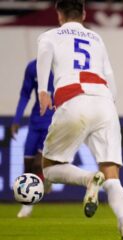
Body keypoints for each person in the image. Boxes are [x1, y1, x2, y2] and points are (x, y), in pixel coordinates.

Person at [37, 1, 123, 239]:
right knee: (112, 177)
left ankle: (89, 179)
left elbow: (43, 61)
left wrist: (42, 92)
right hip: (104, 102)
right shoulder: (96, 38)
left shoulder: (50, 35)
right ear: (83, 14)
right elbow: (110, 78)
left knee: (49, 168)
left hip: (73, 99)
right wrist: (109, 109)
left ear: (59, 14)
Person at [11, 59, 54, 218]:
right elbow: (25, 94)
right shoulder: (32, 67)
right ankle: (27, 203)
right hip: (35, 121)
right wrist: (16, 119)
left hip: (54, 122)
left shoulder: (63, 64)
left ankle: (46, 178)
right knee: (27, 165)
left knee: (38, 164)